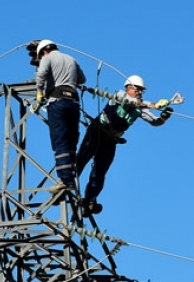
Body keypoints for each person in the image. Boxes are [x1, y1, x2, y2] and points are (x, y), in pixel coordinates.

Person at [76, 75, 173, 215]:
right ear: (128, 87)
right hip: (97, 131)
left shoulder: (141, 107)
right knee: (83, 158)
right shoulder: (119, 95)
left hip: (111, 139)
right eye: (137, 89)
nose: (139, 92)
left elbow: (154, 121)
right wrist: (154, 104)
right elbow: (130, 101)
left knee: (100, 171)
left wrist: (163, 117)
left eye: (141, 90)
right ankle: (67, 182)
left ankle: (90, 200)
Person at [34, 39, 87, 193]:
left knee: (60, 141)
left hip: (58, 102)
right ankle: (70, 176)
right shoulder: (71, 59)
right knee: (71, 143)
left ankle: (65, 180)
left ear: (43, 51)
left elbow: (41, 74)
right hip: (74, 103)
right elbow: (82, 80)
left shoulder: (47, 58)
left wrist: (39, 92)